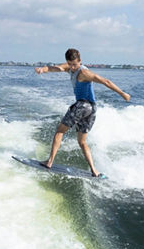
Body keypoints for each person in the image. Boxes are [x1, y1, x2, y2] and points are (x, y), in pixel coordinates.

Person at [33, 48, 130, 177]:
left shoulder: (84, 73)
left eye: (75, 64)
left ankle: (49, 162)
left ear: (80, 61)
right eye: (70, 64)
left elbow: (105, 81)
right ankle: (94, 171)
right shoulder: (68, 67)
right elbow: (55, 68)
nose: (73, 67)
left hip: (83, 106)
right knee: (82, 142)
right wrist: (42, 69)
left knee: (60, 131)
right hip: (92, 109)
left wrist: (122, 93)